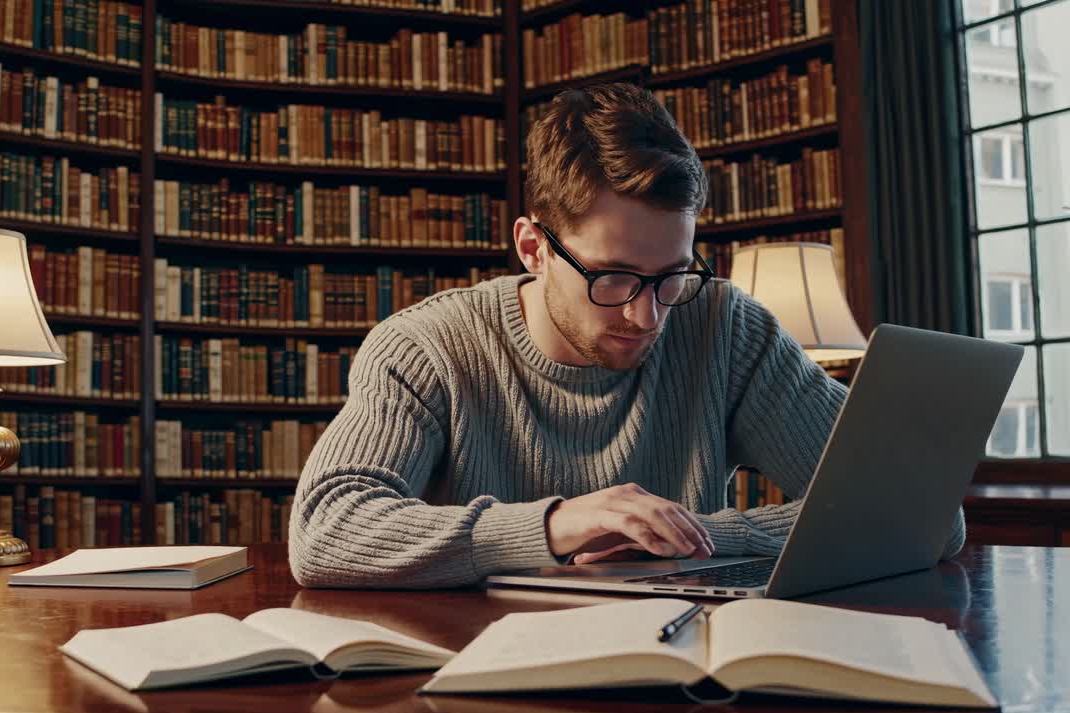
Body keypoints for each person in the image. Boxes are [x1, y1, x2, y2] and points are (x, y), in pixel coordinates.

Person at [288, 82, 966, 589]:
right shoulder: (425, 348)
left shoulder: (725, 327)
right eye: (612, 278)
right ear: (533, 248)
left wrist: (685, 537)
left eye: (672, 276)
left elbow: (922, 512)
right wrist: (555, 527)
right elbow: (326, 530)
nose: (648, 317)